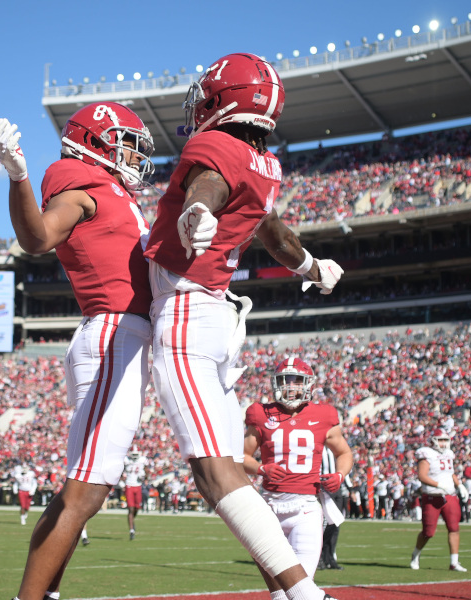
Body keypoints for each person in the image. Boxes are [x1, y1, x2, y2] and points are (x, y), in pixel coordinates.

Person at [143, 52, 344, 600]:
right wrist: (313, 267)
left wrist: (198, 211)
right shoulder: (267, 165)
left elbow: (206, 183)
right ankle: (286, 592)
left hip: (186, 313)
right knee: (227, 467)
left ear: (222, 99)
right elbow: (275, 236)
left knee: (213, 473)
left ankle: (305, 594)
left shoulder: (213, 146)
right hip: (214, 317)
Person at [0, 100, 156, 600]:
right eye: (126, 143)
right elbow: (37, 237)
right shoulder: (80, 185)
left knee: (81, 491)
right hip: (113, 335)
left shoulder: (114, 192)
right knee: (86, 490)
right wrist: (18, 175)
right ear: (97, 142)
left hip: (122, 337)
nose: (134, 155)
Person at [243, 357, 352, 581]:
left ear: (307, 384)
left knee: (302, 583)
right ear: (277, 383)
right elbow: (241, 457)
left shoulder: (324, 415)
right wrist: (262, 468)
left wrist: (340, 475)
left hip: (306, 509)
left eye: (297, 381)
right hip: (270, 508)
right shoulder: (260, 413)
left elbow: (345, 453)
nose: (291, 386)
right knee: (279, 588)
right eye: (286, 380)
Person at [410, 428, 468, 572]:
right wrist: (439, 485)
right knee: (428, 532)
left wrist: (460, 485)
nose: (443, 443)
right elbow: (422, 476)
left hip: (449, 496)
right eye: (440, 440)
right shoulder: (426, 454)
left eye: (445, 440)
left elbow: (450, 473)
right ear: (434, 441)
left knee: (454, 528)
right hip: (432, 497)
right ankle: (416, 554)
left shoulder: (449, 454)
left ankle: (454, 562)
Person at [122, 448, 149, 540]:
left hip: (138, 485)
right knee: (131, 508)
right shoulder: (126, 460)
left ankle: (132, 521)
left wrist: (144, 476)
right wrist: (122, 480)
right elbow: (121, 470)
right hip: (129, 485)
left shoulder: (142, 460)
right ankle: (131, 530)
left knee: (137, 507)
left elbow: (147, 472)